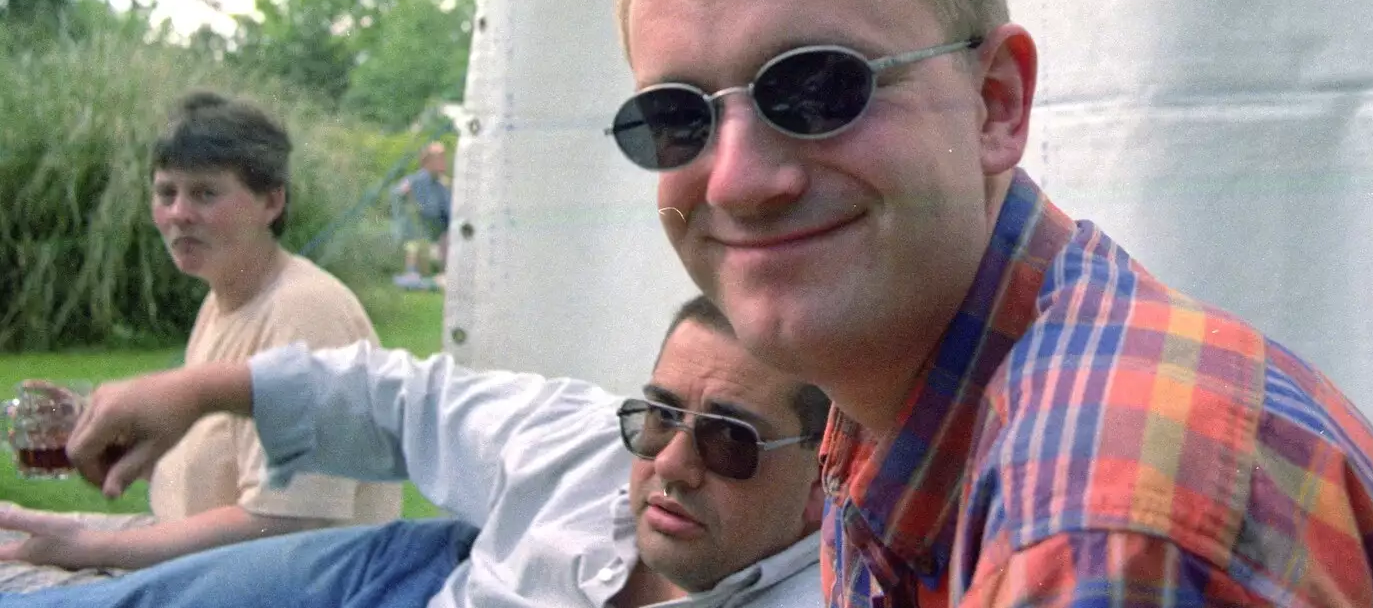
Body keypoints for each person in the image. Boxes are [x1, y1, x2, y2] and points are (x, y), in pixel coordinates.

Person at [598, 0, 1373, 606]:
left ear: (996, 102)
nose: (736, 181)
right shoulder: (894, 390)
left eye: (818, 87)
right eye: (675, 119)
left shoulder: (1096, 523)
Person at [0, 295, 828, 608]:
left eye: (729, 439)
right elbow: (406, 399)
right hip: (415, 575)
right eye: (657, 415)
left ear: (828, 474)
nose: (672, 462)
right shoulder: (578, 444)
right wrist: (192, 392)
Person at [0, 92, 401, 579]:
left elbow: (291, 523)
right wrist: (116, 440)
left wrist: (97, 547)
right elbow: (218, 472)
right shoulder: (222, 300)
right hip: (217, 572)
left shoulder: (305, 314)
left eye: (205, 193)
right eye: (166, 193)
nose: (179, 213)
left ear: (271, 201)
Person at [391, 142, 452, 290]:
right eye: (439, 158)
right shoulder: (414, 181)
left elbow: (449, 215)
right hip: (417, 237)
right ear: (428, 162)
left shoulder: (442, 185)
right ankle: (419, 278)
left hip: (436, 238)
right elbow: (398, 196)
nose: (444, 162)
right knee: (415, 246)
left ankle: (440, 276)